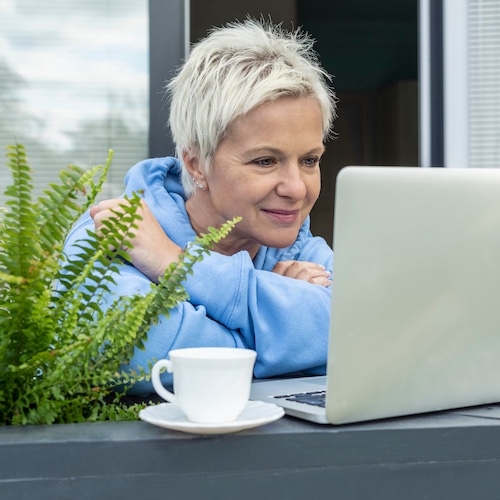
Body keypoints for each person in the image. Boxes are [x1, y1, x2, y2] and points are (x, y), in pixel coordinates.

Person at [63, 19, 337, 395]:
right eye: (265, 161)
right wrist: (287, 325)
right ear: (196, 163)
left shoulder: (301, 249)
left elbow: (358, 332)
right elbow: (138, 355)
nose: (295, 188)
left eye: (309, 160)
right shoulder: (109, 231)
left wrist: (175, 263)